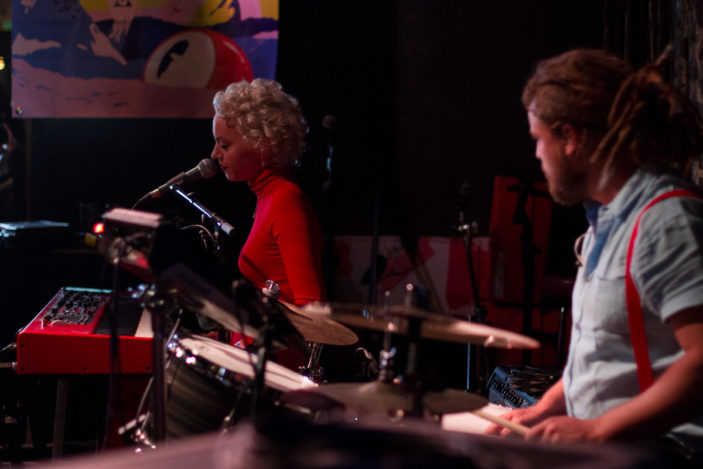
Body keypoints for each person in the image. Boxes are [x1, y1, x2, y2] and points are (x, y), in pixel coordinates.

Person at [486, 48, 703, 460]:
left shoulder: (666, 222)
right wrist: (544, 409)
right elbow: (602, 359)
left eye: (539, 140)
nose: (537, 155)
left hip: (661, 454)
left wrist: (598, 430)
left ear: (570, 138)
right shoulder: (605, 226)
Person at [210, 78, 326, 361]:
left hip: (276, 368)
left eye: (224, 144)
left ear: (261, 146)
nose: (214, 154)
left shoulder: (285, 200)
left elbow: (311, 308)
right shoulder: (268, 196)